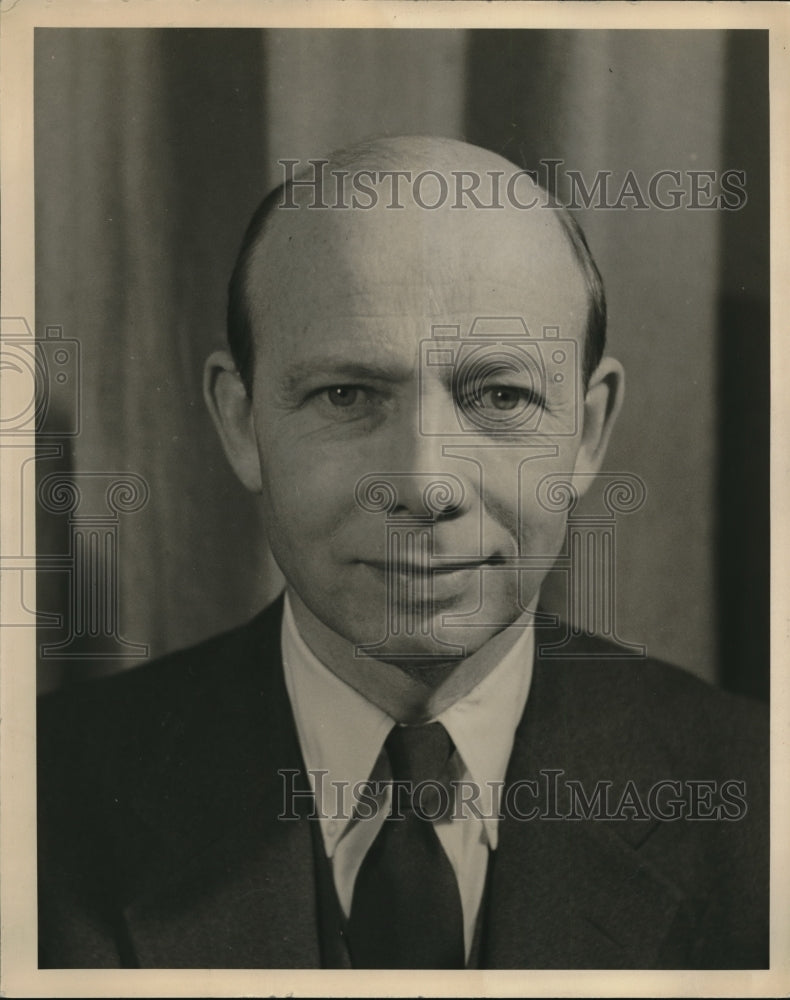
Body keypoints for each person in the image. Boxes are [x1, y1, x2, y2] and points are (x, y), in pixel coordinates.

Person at [37, 136, 768, 970]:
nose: (426, 485)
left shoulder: (759, 804)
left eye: (500, 394)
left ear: (589, 431)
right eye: (345, 395)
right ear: (241, 423)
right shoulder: (33, 802)